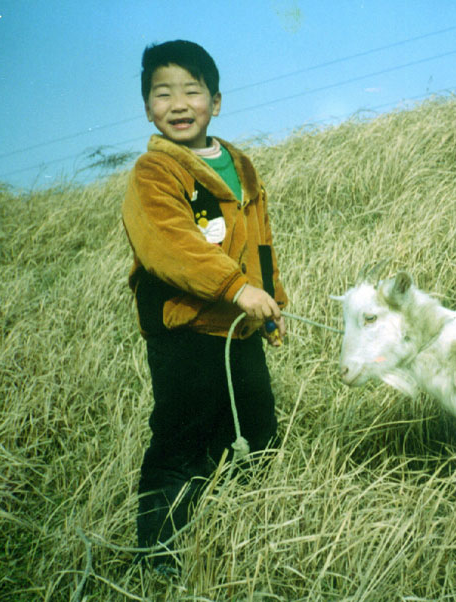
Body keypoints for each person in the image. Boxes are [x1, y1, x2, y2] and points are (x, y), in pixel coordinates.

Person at [121, 40, 288, 574]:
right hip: (185, 329)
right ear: (148, 106)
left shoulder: (239, 164)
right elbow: (171, 246)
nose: (177, 103)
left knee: (256, 425)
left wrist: (271, 302)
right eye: (161, 92)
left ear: (215, 101)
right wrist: (238, 288)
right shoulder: (155, 173)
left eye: (191, 91)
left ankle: (241, 533)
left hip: (238, 327)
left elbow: (259, 240)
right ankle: (159, 553)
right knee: (182, 435)